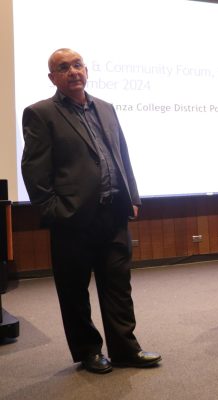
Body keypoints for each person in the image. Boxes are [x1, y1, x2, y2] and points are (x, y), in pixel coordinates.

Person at [21, 48, 161, 373]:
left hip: (113, 214)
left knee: (118, 286)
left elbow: (121, 155)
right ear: (52, 77)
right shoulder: (41, 113)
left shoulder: (107, 109)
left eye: (78, 64)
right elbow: (34, 171)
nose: (73, 71)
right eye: (63, 67)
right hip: (72, 219)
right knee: (75, 292)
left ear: (87, 70)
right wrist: (54, 212)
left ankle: (126, 349)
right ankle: (88, 351)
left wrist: (134, 197)